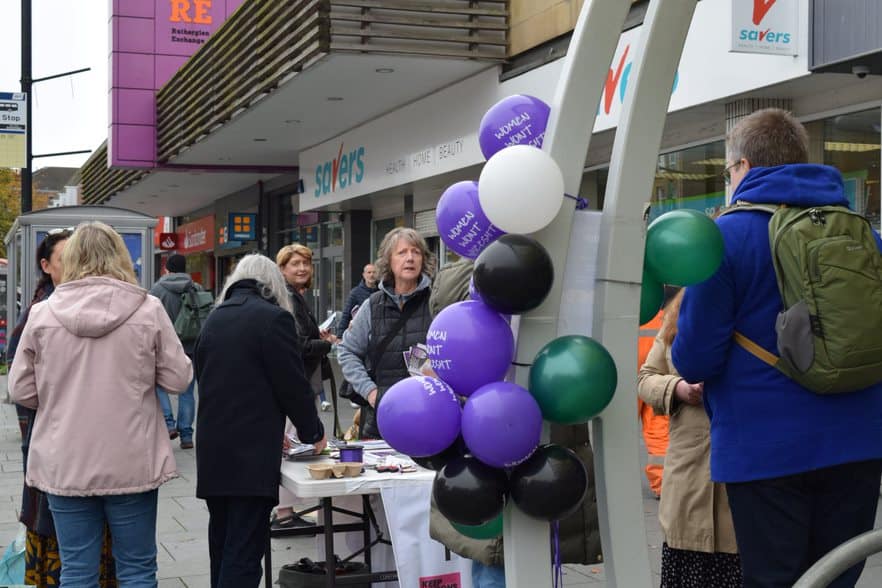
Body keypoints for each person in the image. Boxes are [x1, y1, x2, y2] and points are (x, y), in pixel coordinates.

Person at [672, 108, 882, 588]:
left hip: (764, 451)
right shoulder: (864, 234)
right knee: (835, 579)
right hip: (859, 443)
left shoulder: (722, 238)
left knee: (775, 581)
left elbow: (696, 359)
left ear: (743, 167)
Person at [8, 221, 193, 586]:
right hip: (132, 461)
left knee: (77, 571)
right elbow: (179, 379)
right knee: (138, 569)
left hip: (65, 462)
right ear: (120, 256)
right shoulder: (148, 309)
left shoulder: (43, 314)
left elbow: (20, 389)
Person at [426, 255, 603, 588]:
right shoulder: (470, 277)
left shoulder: (555, 263)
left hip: (532, 450)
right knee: (495, 564)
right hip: (488, 449)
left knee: (516, 559)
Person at [194, 254, 326, 588]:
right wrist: (314, 433)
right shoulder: (273, 319)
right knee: (244, 551)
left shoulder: (214, 318)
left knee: (222, 544)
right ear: (273, 285)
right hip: (250, 455)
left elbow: (212, 380)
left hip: (213, 450)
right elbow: (292, 386)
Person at [6, 229, 120, 587]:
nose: (76, 266)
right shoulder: (37, 316)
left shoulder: (48, 313)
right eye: (65, 259)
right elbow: (22, 392)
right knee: (71, 554)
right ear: (47, 266)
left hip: (83, 453)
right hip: (57, 454)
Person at [638, 290, 741, 587]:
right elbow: (646, 377)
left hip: (740, 489)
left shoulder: (754, 309)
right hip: (689, 483)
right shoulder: (679, 313)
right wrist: (679, 388)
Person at [337, 227, 436, 439]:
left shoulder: (436, 303)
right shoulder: (372, 305)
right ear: (388, 261)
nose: (410, 258)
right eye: (402, 252)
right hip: (380, 418)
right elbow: (346, 351)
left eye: (416, 252)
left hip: (429, 415)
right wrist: (371, 393)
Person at [272, 244, 336, 533]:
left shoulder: (295, 297)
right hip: (295, 381)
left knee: (293, 443)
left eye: (306, 264)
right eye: (295, 263)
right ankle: (284, 512)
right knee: (290, 446)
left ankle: (286, 510)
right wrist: (327, 344)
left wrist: (317, 334)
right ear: (282, 268)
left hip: (300, 379)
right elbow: (297, 345)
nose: (301, 268)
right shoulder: (287, 297)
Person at [149, 253, 202, 449]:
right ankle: (187, 435)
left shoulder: (156, 290)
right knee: (187, 390)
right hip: (191, 345)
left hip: (164, 346)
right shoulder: (196, 288)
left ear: (167, 269)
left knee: (159, 384)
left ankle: (168, 424)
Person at [637, 307, 668, 499]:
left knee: (616, 426)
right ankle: (663, 483)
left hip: (624, 356)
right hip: (656, 356)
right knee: (658, 422)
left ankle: (611, 480)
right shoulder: (659, 299)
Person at [336, 263, 378, 336]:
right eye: (369, 272)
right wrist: (340, 335)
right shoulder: (355, 293)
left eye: (374, 272)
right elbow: (346, 314)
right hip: (361, 333)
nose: (371, 275)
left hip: (378, 333)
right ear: (364, 275)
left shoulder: (382, 292)